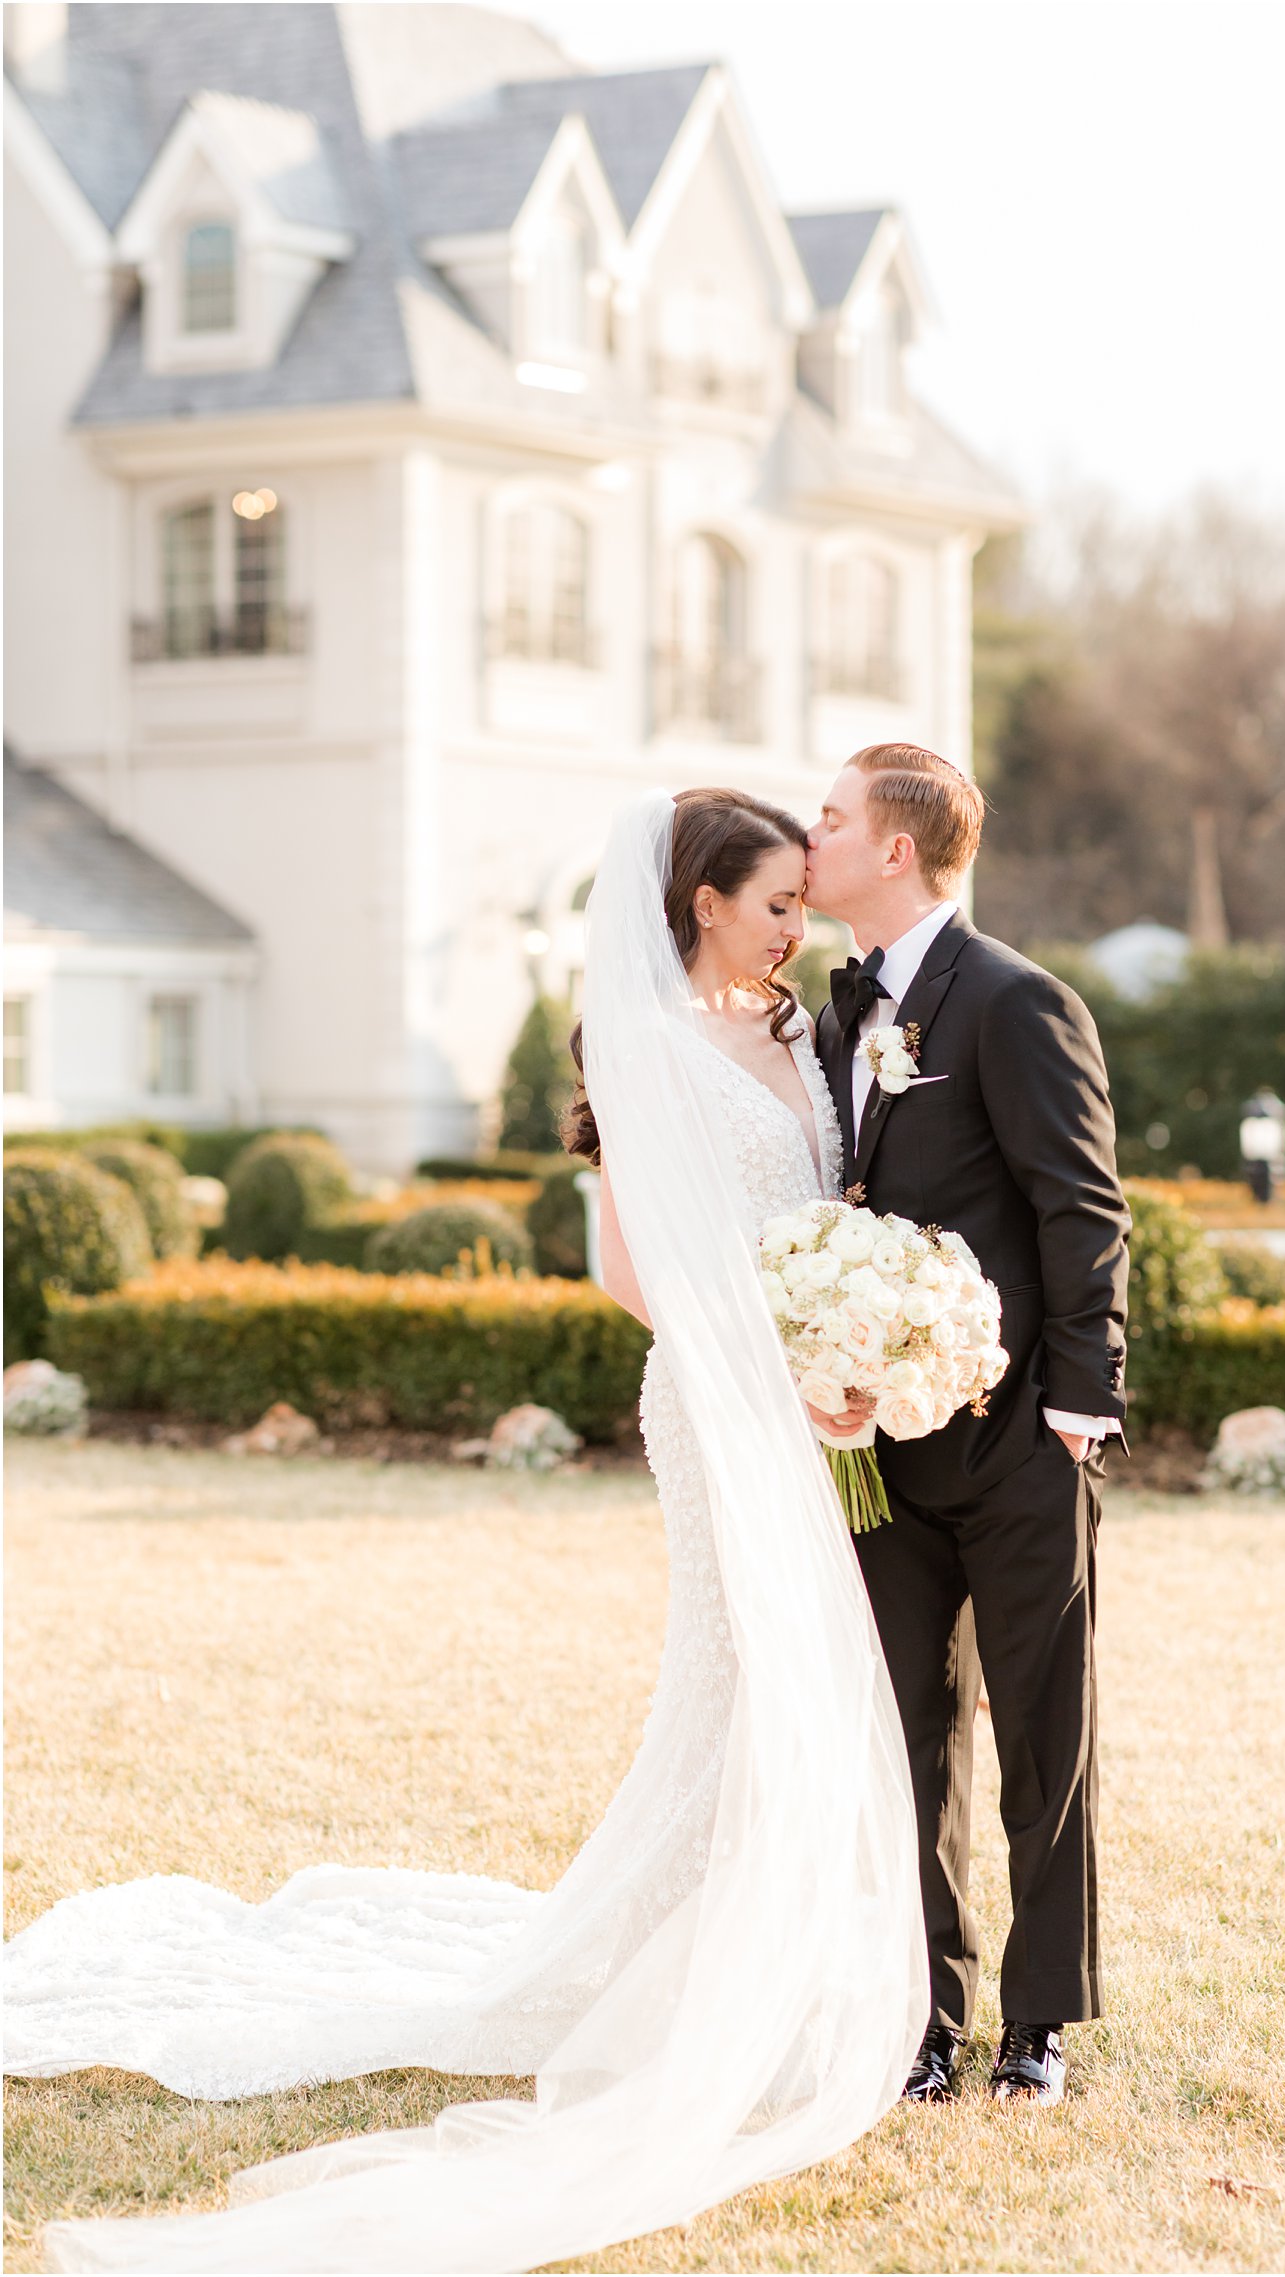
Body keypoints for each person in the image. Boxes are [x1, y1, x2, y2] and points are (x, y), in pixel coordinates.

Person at [3, 787, 928, 2273]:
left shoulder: (805, 1028)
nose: (793, 926)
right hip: (712, 1391)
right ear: (701, 904)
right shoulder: (650, 1042)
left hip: (807, 1397)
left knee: (803, 1673)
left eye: (799, 908)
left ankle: (781, 1946)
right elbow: (633, 1264)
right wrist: (777, 1347)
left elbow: (833, 1197)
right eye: (771, 904)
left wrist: (849, 1337)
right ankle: (704, 1976)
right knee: (737, 1669)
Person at [807, 742, 1130, 2109]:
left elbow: (1082, 1207)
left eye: (827, 818)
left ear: (897, 849)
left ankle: (1038, 2023)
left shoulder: (1014, 1001)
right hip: (880, 1451)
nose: (806, 837)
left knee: (1042, 1734)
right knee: (907, 1728)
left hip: (1014, 1441)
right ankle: (927, 2017)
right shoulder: (832, 1016)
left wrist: (1076, 1410)